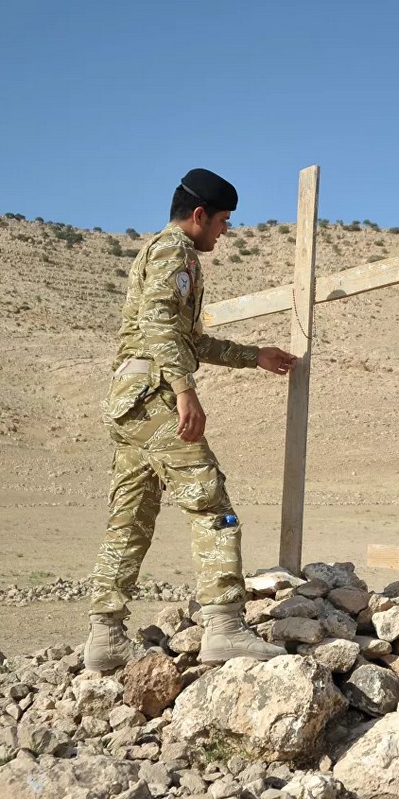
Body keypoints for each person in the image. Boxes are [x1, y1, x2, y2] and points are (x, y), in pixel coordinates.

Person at [84, 168, 296, 671]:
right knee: (210, 504)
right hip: (155, 395)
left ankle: (104, 636)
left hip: (130, 402)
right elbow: (160, 327)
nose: (225, 231)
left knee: (130, 517)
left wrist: (253, 356)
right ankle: (224, 627)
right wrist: (185, 392)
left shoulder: (164, 254)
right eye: (222, 221)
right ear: (198, 216)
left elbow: (190, 341)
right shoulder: (173, 252)